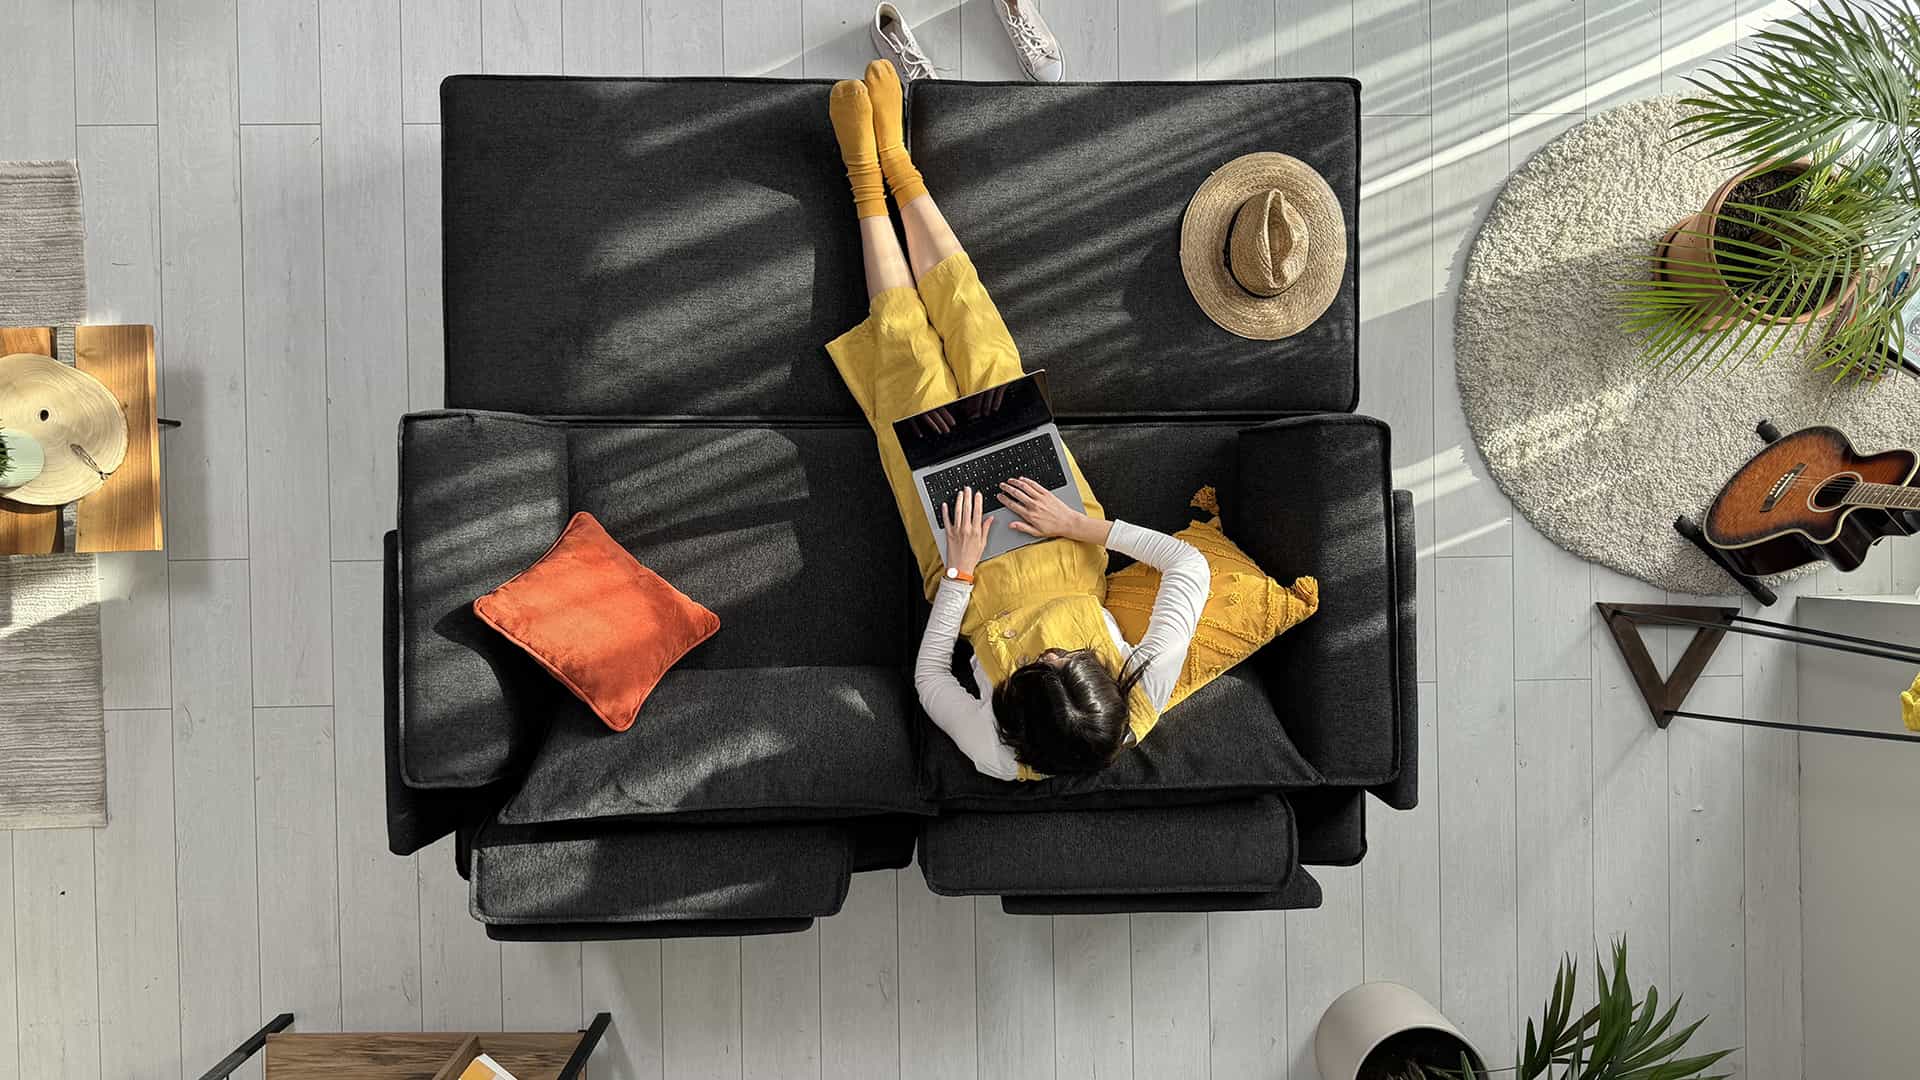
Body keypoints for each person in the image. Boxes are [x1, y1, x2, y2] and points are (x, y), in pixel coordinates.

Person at [824, 61, 1209, 781]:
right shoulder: (1141, 694)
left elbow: (931, 680)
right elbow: (1189, 565)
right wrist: (1085, 528)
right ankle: (900, 164)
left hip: (962, 546)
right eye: (1079, 659)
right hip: (1056, 520)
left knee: (908, 357)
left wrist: (960, 574)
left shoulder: (1000, 752)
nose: (1057, 651)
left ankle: (864, 180)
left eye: (1043, 664)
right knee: (977, 330)